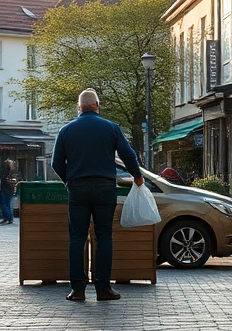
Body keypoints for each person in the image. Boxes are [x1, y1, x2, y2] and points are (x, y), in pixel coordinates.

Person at [51, 88, 144, 302]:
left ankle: (78, 290)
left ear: (79, 108)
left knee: (77, 237)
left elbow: (56, 163)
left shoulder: (66, 130)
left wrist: (70, 181)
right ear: (97, 106)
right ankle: (103, 289)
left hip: (78, 189)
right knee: (104, 237)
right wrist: (137, 177)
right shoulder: (111, 128)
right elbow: (128, 155)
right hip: (105, 188)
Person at [0, 159, 18, 225]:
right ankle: (7, 218)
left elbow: (9, 180)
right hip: (8, 189)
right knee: (7, 205)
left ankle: (8, 219)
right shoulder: (12, 171)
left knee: (4, 204)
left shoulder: (8, 172)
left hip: (6, 189)